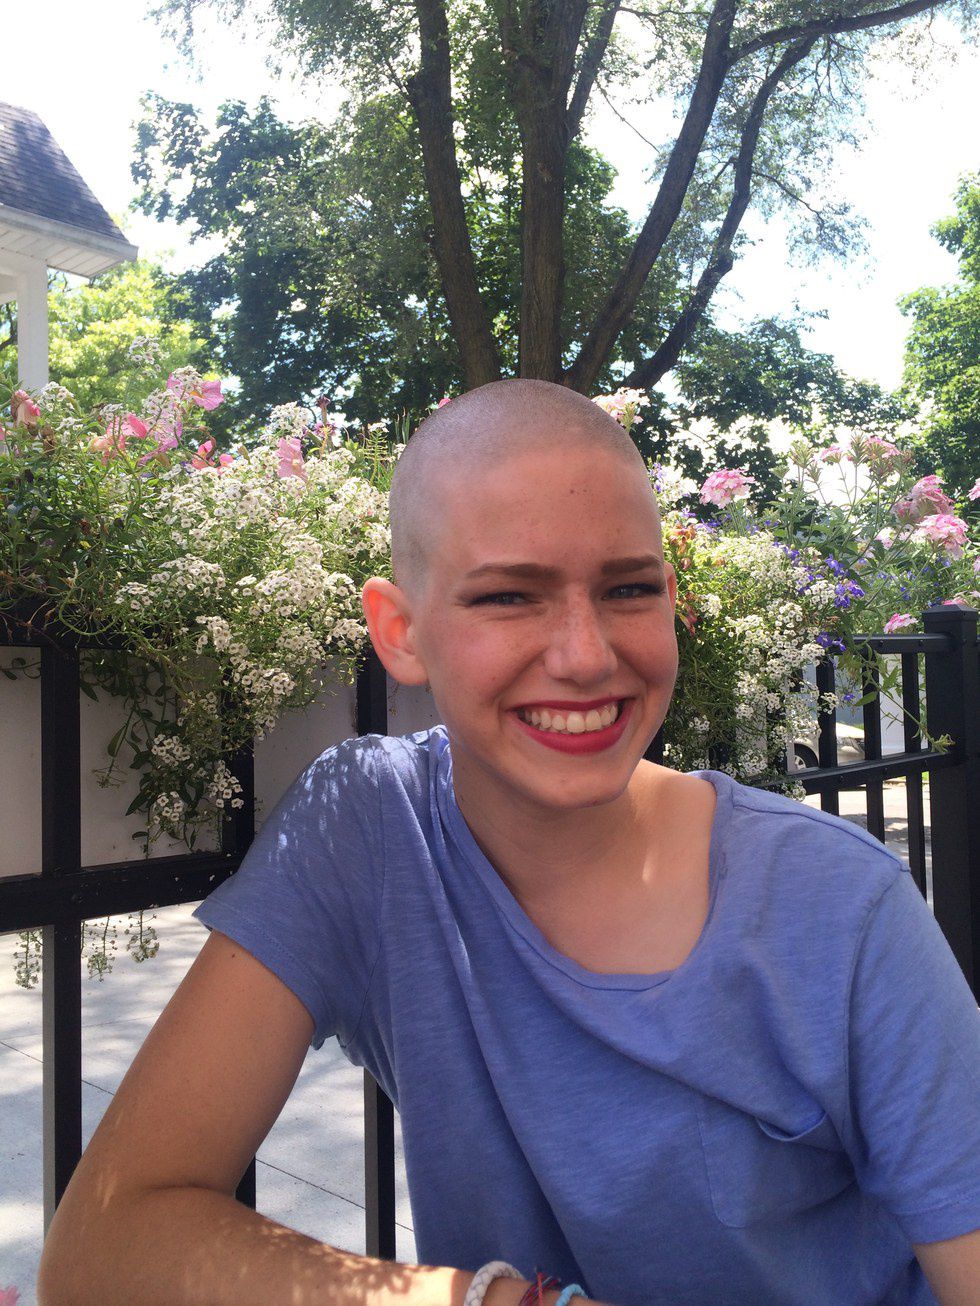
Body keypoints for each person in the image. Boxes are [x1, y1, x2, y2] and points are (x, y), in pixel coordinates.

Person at [39, 380, 980, 1305]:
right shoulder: (370, 828)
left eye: (627, 588)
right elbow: (104, 1245)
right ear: (400, 632)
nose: (585, 655)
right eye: (508, 598)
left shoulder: (839, 907)